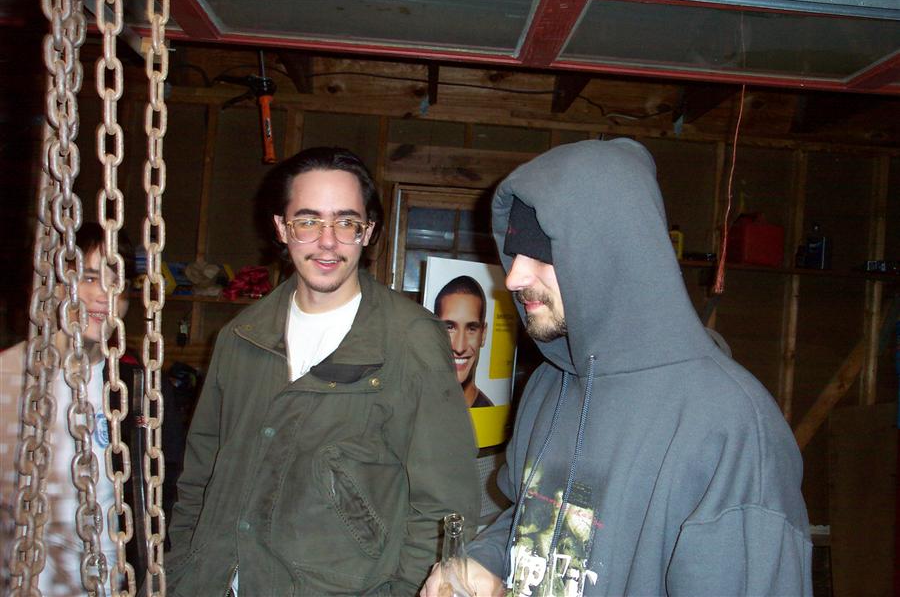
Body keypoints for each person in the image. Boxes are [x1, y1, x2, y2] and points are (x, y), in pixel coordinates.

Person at [423, 139, 812, 596]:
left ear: (612, 252)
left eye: (542, 254)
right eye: (515, 252)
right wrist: (485, 563)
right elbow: (531, 520)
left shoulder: (731, 427)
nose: (513, 277)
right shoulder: (550, 382)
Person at [165, 146, 481, 596]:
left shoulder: (411, 340)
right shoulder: (240, 337)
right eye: (308, 221)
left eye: (346, 222)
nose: (327, 241)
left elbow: (445, 506)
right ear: (282, 228)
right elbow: (200, 474)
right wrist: (182, 570)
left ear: (368, 232)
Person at [0, 222, 186, 595]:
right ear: (53, 285)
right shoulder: (10, 376)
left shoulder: (141, 389)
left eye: (117, 282)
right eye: (88, 278)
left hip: (113, 582)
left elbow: (169, 489)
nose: (105, 295)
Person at [435, 275, 493, 408]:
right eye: (449, 327)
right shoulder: (417, 404)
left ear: (483, 335)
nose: (460, 347)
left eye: (471, 329)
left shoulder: (487, 411)